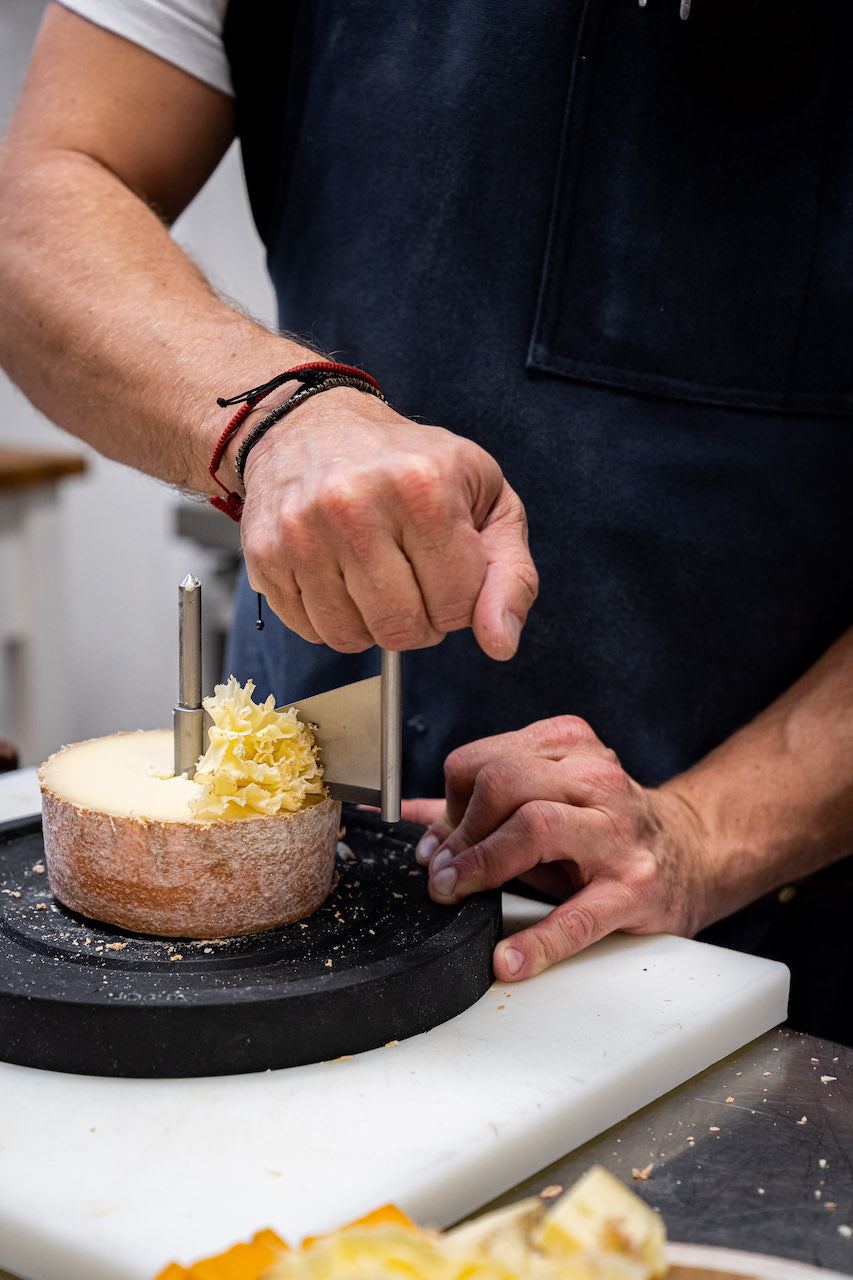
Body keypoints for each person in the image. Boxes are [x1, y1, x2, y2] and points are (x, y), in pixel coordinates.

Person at [1, 0, 852, 1041]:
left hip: (763, 936)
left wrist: (705, 831)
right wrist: (278, 415)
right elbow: (41, 200)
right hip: (296, 847)